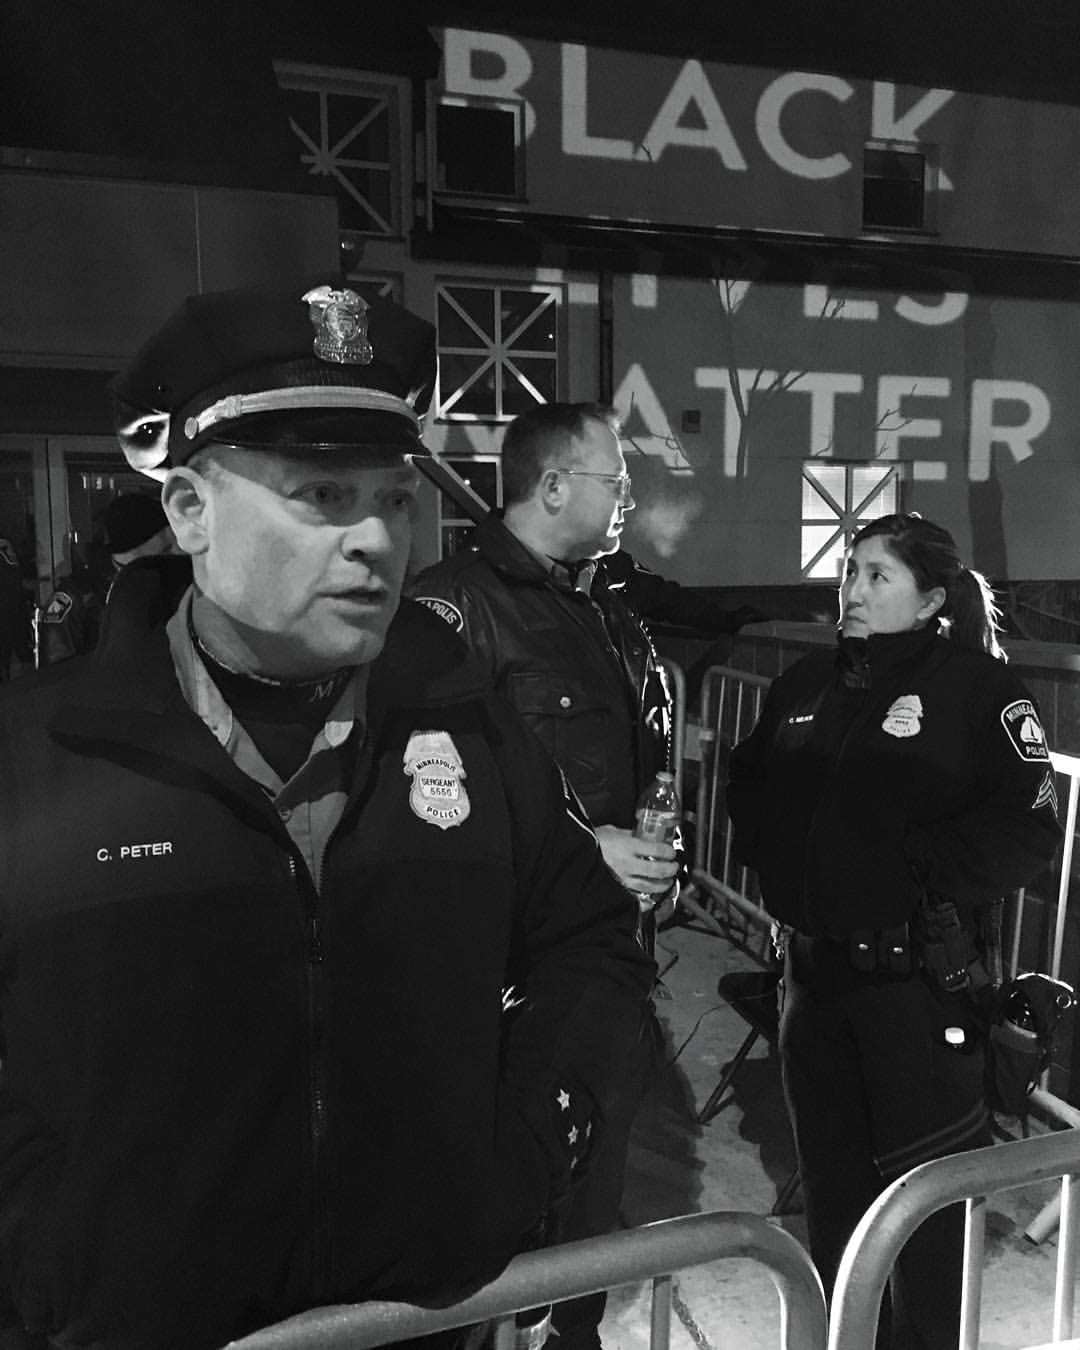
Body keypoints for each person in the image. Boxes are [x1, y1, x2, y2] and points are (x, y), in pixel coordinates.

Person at [0, 279, 655, 1350]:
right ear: (189, 511)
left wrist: (532, 1143)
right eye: (319, 495)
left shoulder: (466, 723)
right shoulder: (39, 753)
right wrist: (45, 1246)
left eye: (394, 499)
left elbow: (592, 945)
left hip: (421, 1320)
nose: (376, 540)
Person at [410, 401, 759, 1349]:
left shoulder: (603, 603)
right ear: (555, 484)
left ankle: (572, 1332)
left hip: (612, 960)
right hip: (508, 975)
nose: (629, 498)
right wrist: (577, 850)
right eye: (617, 480)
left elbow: (628, 759)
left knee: (591, 1198)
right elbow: (432, 804)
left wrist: (657, 853)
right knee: (502, 1202)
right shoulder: (452, 608)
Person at [726, 512, 1063, 1349]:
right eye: (851, 572)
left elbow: (1029, 825)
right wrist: (784, 869)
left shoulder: (980, 691)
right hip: (813, 988)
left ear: (931, 600)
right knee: (835, 1201)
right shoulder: (807, 682)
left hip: (914, 995)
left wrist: (909, 870)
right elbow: (748, 784)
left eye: (879, 575)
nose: (856, 589)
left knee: (925, 1215)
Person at [37, 493, 176, 665]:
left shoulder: (168, 586)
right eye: (168, 546)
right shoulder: (76, 597)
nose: (178, 549)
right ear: (142, 539)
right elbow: (56, 674)